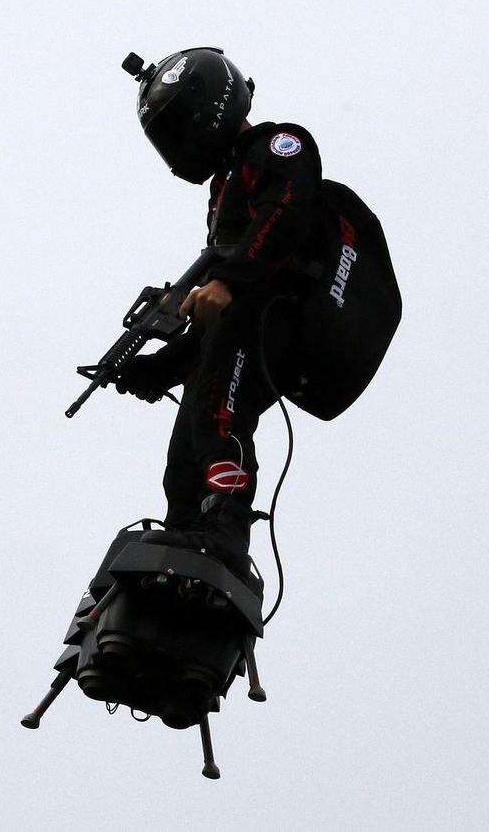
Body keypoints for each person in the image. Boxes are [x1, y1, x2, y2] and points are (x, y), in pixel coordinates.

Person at [113, 47, 324, 586]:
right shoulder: (223, 186)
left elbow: (284, 215)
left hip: (280, 312)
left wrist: (227, 279)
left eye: (180, 126)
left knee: (218, 420)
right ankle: (186, 533)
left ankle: (224, 533)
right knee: (188, 442)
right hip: (241, 322)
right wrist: (159, 367)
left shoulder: (277, 145)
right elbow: (216, 308)